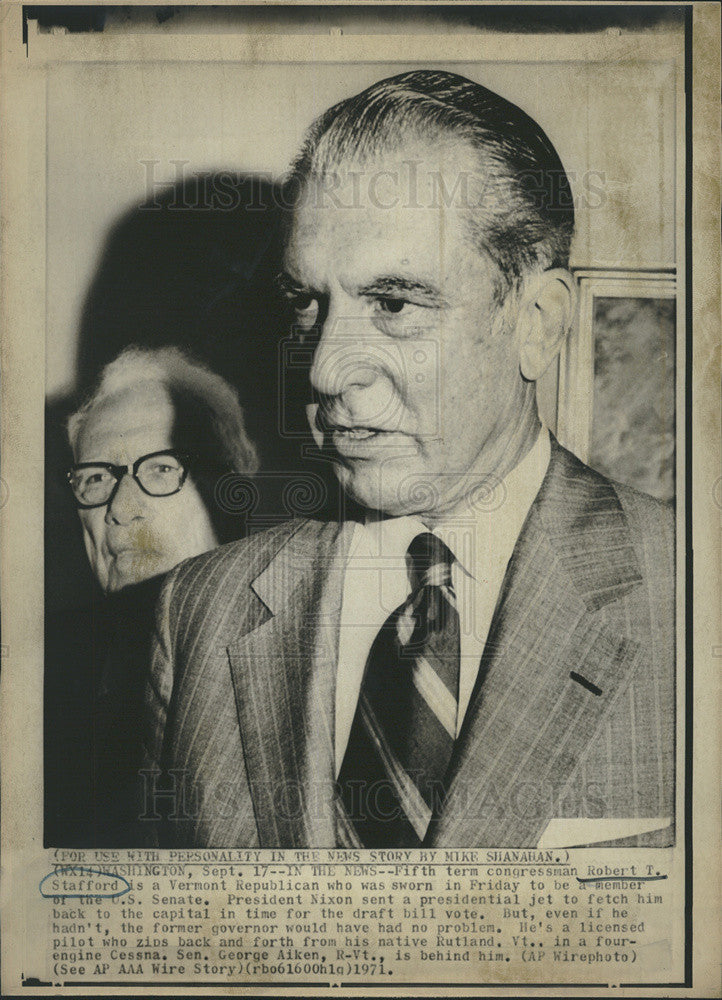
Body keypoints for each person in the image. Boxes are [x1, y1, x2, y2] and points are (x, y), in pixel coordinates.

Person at [143, 71, 674, 849]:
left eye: (393, 305)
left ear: (536, 322)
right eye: (306, 301)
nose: (325, 370)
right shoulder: (197, 610)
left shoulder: (694, 598)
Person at [45, 345, 258, 845]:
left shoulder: (323, 642)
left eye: (160, 468)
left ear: (229, 488)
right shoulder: (41, 678)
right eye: (95, 478)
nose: (120, 508)